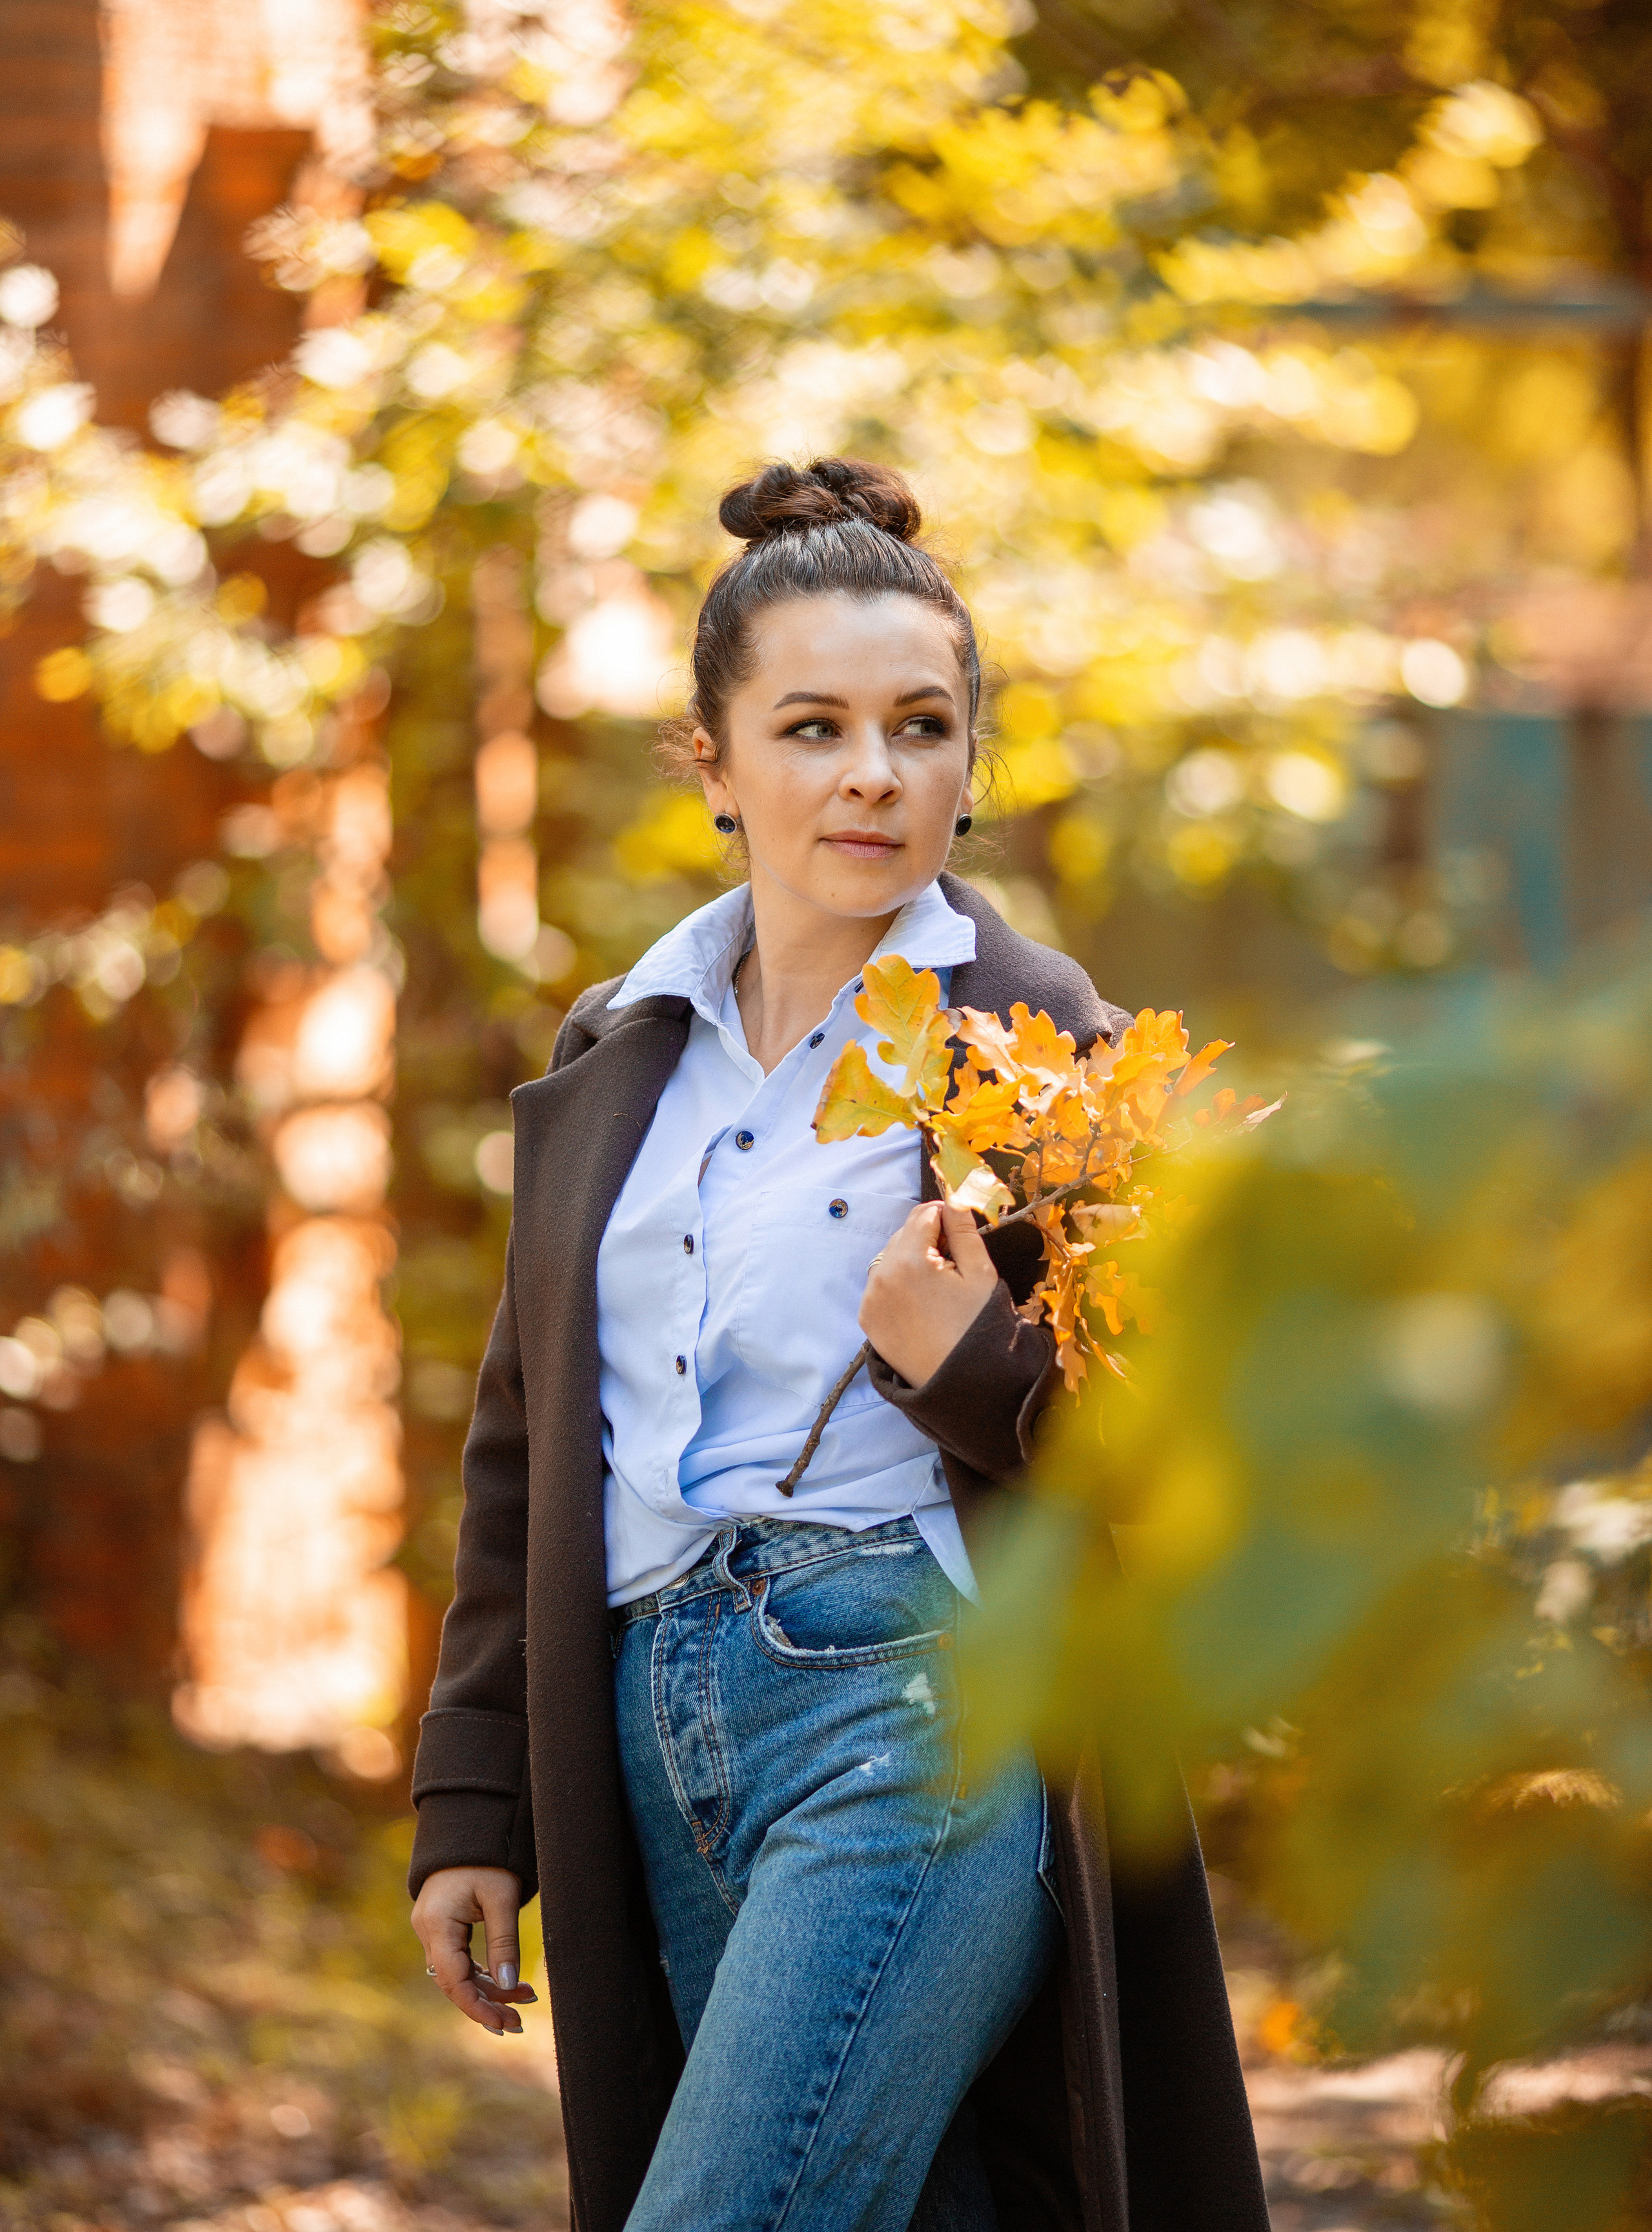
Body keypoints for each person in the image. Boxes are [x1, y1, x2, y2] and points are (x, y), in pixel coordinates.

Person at [408, 459, 1268, 2232]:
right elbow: (526, 1444)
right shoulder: (615, 1047)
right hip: (649, 1726)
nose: (874, 773)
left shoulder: (1044, 1050)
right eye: (812, 726)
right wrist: (474, 1798)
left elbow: (1196, 1458)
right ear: (711, 765)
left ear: (973, 761)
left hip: (914, 1707)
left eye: (922, 726)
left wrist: (975, 1371)